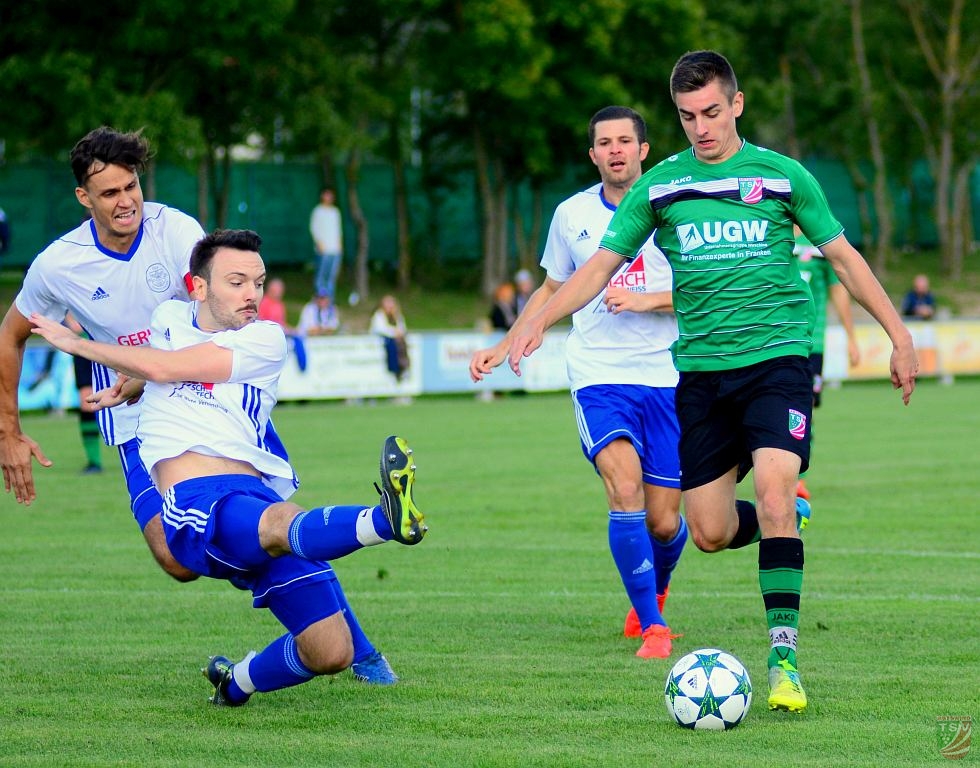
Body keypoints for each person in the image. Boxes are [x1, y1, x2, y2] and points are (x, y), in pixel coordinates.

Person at [507, 51, 918, 714]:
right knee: (707, 531)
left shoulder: (783, 178)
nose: (700, 127)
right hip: (699, 376)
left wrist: (898, 335)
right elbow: (598, 268)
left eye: (711, 112)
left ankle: (784, 658)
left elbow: (843, 258)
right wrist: (540, 322)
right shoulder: (660, 187)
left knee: (777, 488)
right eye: (687, 116)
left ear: (737, 105)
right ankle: (779, 525)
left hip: (776, 364)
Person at [29, 229, 428, 705]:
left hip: (254, 492)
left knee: (330, 650)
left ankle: (235, 682)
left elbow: (168, 367)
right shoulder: (169, 316)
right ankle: (387, 519)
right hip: (197, 503)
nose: (251, 295)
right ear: (197, 287)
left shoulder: (266, 339)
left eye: (257, 283)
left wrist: (79, 345)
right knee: (283, 522)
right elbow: (164, 363)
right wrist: (132, 383)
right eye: (236, 282)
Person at [470, 106, 687, 659]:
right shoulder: (572, 215)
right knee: (622, 488)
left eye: (625, 141)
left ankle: (654, 591)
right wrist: (511, 339)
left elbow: (703, 290)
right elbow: (551, 288)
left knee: (665, 522)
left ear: (644, 149)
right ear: (593, 155)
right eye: (604, 143)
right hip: (599, 376)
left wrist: (645, 300)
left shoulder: (678, 208)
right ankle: (653, 625)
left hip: (670, 375)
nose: (615, 150)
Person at [0, 126, 202, 582]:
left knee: (258, 529)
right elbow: (8, 336)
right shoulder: (58, 264)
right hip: (135, 417)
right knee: (177, 558)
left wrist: (149, 373)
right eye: (109, 192)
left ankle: (341, 646)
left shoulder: (177, 231)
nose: (126, 200)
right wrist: (8, 434)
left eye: (131, 186)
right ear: (83, 197)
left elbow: (212, 319)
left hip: (207, 396)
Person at [793, 229, 861, 500]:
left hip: (813, 344)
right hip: (775, 339)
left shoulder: (820, 243)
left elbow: (838, 291)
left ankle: (798, 478)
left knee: (805, 409)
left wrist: (851, 337)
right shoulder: (770, 233)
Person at [259, 277, 307, 372]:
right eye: (278, 290)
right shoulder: (263, 303)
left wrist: (291, 329)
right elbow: (261, 320)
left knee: (298, 337)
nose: (280, 293)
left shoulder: (280, 304)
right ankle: (302, 367)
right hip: (270, 332)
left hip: (280, 331)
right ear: (271, 290)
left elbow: (282, 322)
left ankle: (302, 366)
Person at [309, 188, 343, 300]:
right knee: (321, 277)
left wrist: (340, 245)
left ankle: (330, 301)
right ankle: (319, 299)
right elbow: (314, 228)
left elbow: (338, 229)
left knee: (331, 277)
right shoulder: (318, 211)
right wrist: (319, 243)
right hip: (323, 250)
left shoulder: (335, 212)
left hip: (335, 250)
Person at [371, 294, 410, 384]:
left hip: (396, 339)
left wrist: (398, 332)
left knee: (402, 343)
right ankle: (394, 368)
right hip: (383, 340)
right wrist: (394, 332)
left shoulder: (397, 316)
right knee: (392, 344)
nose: (390, 306)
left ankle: (404, 367)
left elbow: (402, 328)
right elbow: (380, 329)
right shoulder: (379, 315)